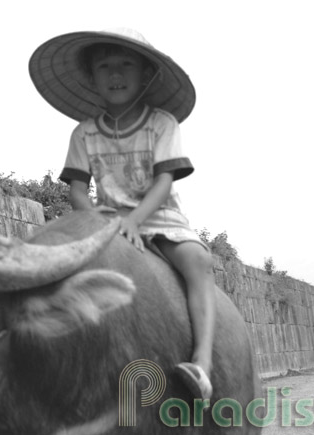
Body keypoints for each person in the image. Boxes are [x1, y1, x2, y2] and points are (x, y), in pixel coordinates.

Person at [29, 28, 215, 400]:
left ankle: (203, 361)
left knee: (198, 260)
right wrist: (102, 221)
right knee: (54, 272)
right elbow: (78, 189)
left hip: (160, 219)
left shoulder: (162, 123)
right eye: (105, 66)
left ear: (146, 74)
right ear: (92, 78)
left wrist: (134, 221)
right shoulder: (83, 134)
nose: (115, 74)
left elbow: (164, 179)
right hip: (107, 223)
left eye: (126, 64)